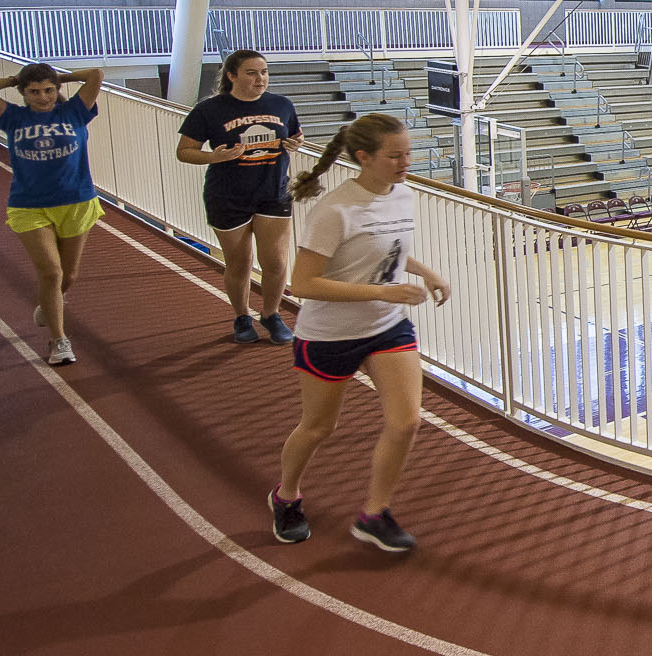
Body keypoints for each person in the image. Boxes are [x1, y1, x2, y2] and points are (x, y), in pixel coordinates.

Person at [269, 113, 451, 554]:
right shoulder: (335, 209)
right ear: (364, 158)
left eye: (407, 153)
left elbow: (390, 249)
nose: (404, 162)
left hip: (387, 328)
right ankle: (286, 496)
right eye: (394, 156)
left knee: (406, 421)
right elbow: (303, 283)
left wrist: (426, 271)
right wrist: (383, 292)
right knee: (317, 427)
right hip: (330, 335)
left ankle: (375, 513)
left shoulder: (403, 195)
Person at [0, 62, 104, 366]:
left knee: (68, 275)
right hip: (29, 205)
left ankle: (48, 302)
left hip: (76, 201)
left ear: (57, 91)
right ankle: (59, 340)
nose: (42, 97)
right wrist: (13, 79)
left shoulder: (74, 111)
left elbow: (95, 75)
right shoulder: (13, 117)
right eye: (34, 92)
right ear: (24, 94)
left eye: (48, 90)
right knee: (52, 273)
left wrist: (60, 77)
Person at [175, 49, 302, 345]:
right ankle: (241, 315)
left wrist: (294, 144)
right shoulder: (209, 109)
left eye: (264, 72)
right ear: (231, 75)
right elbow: (184, 152)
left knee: (276, 263)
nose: (260, 79)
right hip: (228, 196)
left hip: (273, 192)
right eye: (251, 72)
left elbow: (296, 135)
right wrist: (214, 157)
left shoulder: (282, 104)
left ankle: (270, 314)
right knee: (240, 263)